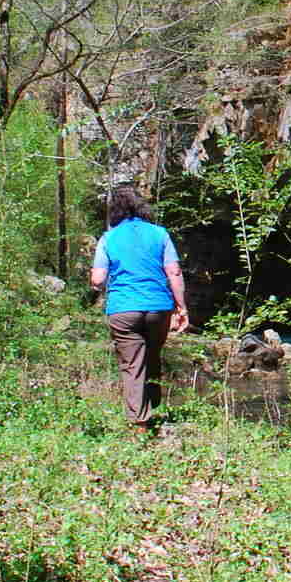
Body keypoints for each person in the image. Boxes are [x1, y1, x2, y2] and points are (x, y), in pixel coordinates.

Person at [89, 184, 189, 431]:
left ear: (115, 210)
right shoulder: (160, 234)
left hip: (123, 309)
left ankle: (140, 423)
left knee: (133, 364)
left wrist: (99, 286)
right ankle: (153, 400)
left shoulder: (108, 238)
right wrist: (182, 308)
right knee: (152, 354)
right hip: (158, 308)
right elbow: (174, 272)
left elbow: (98, 279)